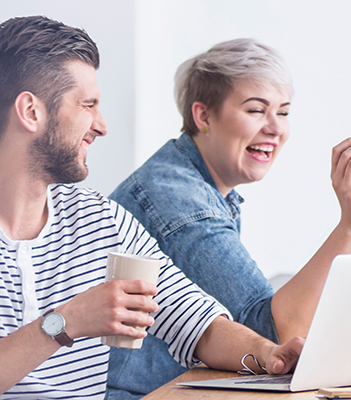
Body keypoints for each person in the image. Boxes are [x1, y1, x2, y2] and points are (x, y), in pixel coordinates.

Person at [0, 16, 304, 399]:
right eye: (88, 105)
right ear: (31, 111)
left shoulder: (99, 219)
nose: (102, 125)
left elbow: (197, 322)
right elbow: (66, 324)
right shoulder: (168, 194)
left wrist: (271, 356)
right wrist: (68, 322)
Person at [103, 39, 351, 399]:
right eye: (256, 110)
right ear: (203, 116)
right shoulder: (179, 200)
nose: (275, 128)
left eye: (283, 112)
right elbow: (270, 334)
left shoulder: (198, 182)